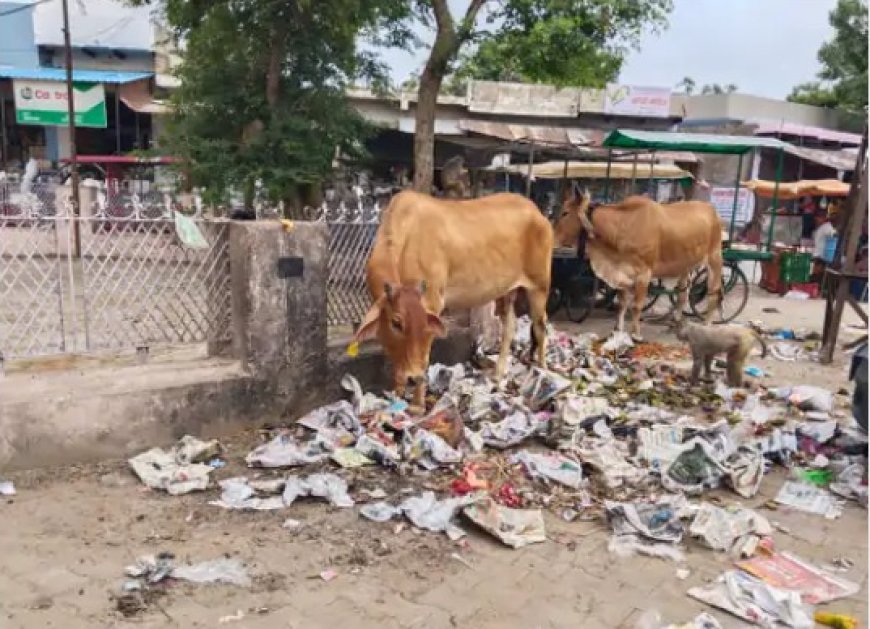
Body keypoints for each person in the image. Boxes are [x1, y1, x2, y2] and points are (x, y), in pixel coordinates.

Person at [811, 209, 836, 283]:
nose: (816, 219)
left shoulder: (827, 227)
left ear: (824, 218)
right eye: (816, 217)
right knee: (814, 274)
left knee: (817, 275)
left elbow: (833, 234)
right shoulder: (820, 227)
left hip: (821, 257)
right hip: (816, 255)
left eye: (818, 217)